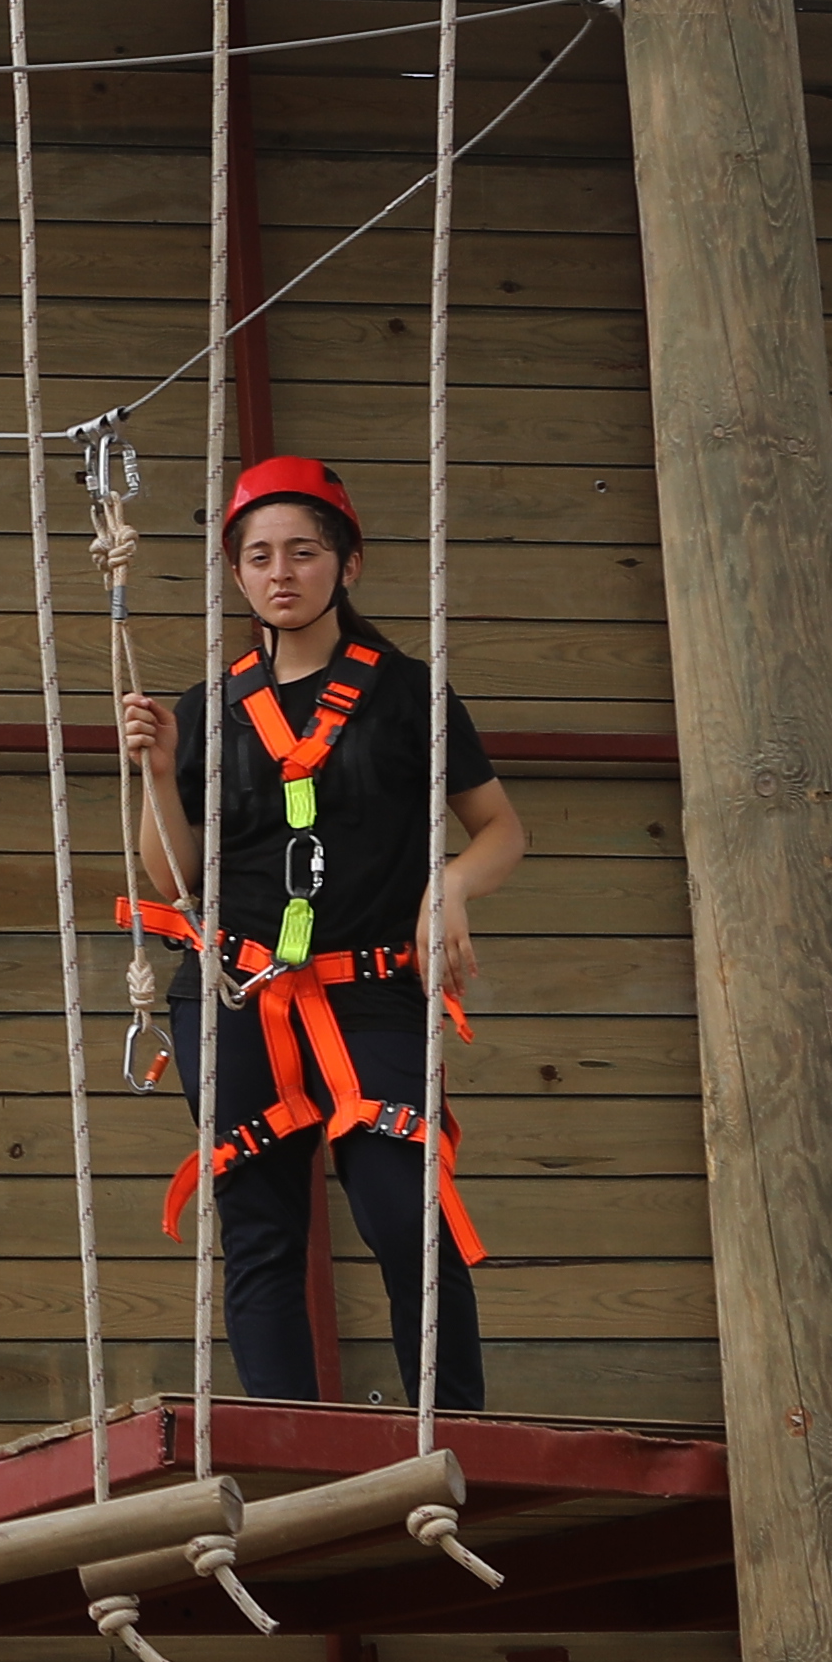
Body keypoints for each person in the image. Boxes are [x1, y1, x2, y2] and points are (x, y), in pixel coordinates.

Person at [111, 459, 526, 1410]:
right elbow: (168, 875)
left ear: (349, 566)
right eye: (258, 557)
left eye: (304, 552)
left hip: (372, 989)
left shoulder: (409, 697)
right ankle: (287, 1446)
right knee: (260, 1232)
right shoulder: (205, 710)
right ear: (238, 576)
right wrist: (163, 772)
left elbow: (501, 828)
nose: (281, 573)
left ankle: (454, 1426)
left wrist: (449, 888)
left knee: (405, 1216)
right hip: (239, 994)